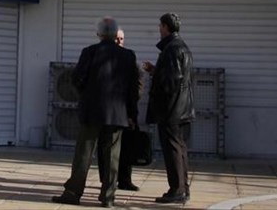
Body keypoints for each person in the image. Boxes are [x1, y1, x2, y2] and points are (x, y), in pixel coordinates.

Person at [51, 16, 140, 209]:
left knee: (84, 154)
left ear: (99, 33)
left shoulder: (89, 52)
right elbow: (133, 89)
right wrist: (132, 114)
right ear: (116, 34)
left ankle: (73, 193)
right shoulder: (128, 56)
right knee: (112, 156)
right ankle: (108, 197)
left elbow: (77, 78)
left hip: (92, 110)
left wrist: (86, 95)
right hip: (117, 113)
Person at [143, 12, 194, 205]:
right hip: (182, 108)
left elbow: (172, 81)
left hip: (172, 109)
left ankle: (176, 190)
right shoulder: (182, 47)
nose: (159, 29)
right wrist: (156, 71)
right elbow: (177, 77)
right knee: (180, 150)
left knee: (172, 150)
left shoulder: (172, 49)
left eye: (160, 26)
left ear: (166, 27)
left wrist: (157, 82)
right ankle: (183, 189)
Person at [97, 27, 141, 193]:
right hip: (107, 110)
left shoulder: (129, 57)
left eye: (121, 39)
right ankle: (107, 179)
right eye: (116, 38)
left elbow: (136, 83)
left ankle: (125, 179)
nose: (119, 42)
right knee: (105, 146)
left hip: (125, 108)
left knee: (126, 146)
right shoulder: (103, 57)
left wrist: (132, 109)